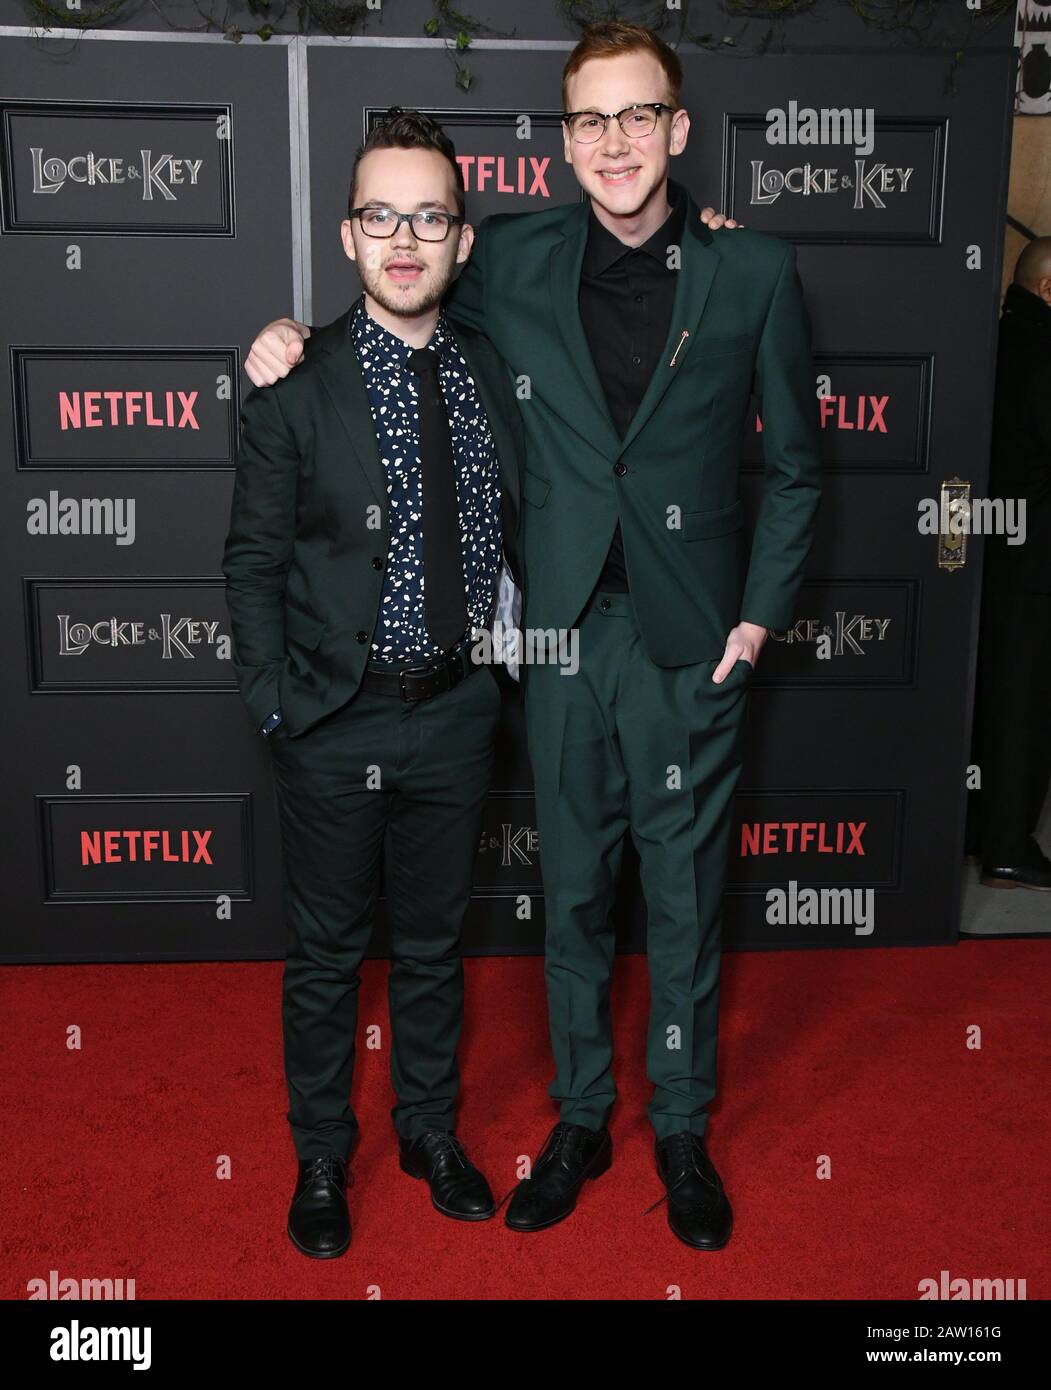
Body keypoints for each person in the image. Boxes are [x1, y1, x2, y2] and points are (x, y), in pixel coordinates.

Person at [245, 21, 821, 1251]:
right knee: (568, 901)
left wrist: (757, 621)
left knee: (680, 901)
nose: (612, 142)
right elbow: (395, 280)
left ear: (675, 128)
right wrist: (281, 336)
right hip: (557, 641)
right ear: (563, 142)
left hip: (688, 644)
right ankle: (579, 1119)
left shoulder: (754, 268)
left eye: (634, 116)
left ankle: (680, 1125)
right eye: (587, 120)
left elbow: (800, 472)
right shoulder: (505, 255)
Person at [222, 109, 526, 1258]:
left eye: (430, 216)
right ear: (350, 236)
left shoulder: (497, 369)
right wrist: (273, 699)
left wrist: (711, 230)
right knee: (327, 957)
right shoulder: (295, 378)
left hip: (457, 709)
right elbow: (250, 561)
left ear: (460, 238)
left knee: (438, 948)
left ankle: (429, 1133)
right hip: (332, 713)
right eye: (381, 215)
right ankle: (318, 1155)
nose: (406, 238)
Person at [966, 236, 1051, 891]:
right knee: (1022, 705)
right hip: (1032, 567)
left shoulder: (1000, 341)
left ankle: (980, 830)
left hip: (991, 554)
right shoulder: (1042, 352)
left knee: (996, 696)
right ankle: (1005, 845)